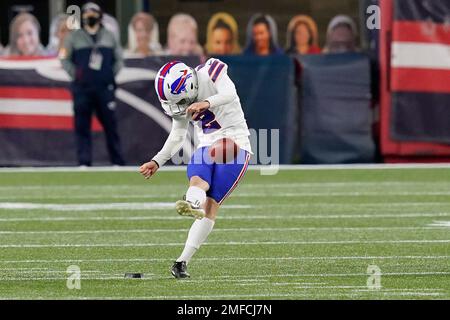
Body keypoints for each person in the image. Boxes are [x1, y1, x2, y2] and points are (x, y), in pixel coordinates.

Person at [139, 58, 252, 279]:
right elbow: (178, 134)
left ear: (189, 85)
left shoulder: (211, 70)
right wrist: (157, 161)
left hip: (236, 143)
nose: (179, 106)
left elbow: (230, 93)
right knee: (199, 178)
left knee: (211, 205)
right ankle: (181, 259)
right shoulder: (182, 101)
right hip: (208, 143)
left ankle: (186, 246)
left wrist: (206, 103)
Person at [60, 2, 125, 166]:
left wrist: (109, 75)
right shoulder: (74, 37)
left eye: (93, 12)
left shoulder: (109, 36)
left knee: (110, 125)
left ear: (100, 15)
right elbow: (64, 58)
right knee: (82, 125)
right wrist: (76, 75)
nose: (90, 16)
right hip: (82, 89)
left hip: (104, 89)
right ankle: (84, 162)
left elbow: (119, 59)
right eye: (86, 13)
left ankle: (117, 161)